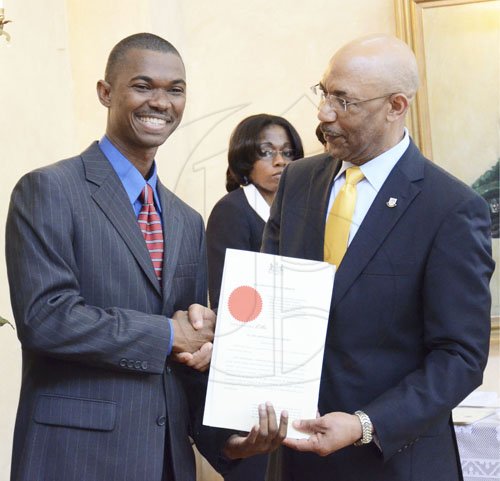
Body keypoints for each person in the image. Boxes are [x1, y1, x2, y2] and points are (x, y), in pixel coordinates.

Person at [5, 33, 286, 481]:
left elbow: (189, 356)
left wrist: (228, 443)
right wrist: (167, 334)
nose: (161, 101)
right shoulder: (48, 190)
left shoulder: (186, 219)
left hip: (167, 463)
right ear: (105, 92)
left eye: (175, 90)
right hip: (74, 459)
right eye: (142, 85)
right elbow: (46, 320)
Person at [262, 34, 495, 481]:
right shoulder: (297, 181)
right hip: (294, 459)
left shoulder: (449, 208)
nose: (324, 113)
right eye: (325, 92)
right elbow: (270, 299)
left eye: (344, 101)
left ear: (396, 106)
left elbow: (459, 356)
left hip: (394, 461)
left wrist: (365, 424)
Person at [206, 114, 304, 311]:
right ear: (245, 160)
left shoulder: (305, 207)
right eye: (267, 152)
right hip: (253, 330)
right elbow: (225, 296)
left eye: (287, 152)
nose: (280, 161)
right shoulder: (230, 210)